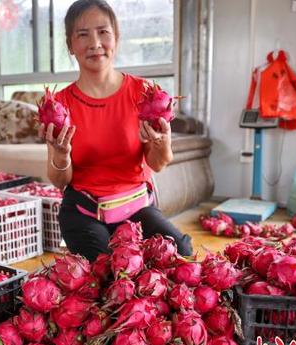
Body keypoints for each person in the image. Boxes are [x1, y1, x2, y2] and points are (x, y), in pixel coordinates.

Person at [38, 0, 192, 262]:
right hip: (83, 211)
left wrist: (161, 143)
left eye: (103, 32)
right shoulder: (60, 105)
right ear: (70, 45)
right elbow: (60, 181)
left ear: (116, 38)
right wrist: (61, 155)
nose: (95, 43)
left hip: (136, 207)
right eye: (82, 34)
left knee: (180, 253)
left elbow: (157, 163)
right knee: (105, 270)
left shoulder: (144, 93)